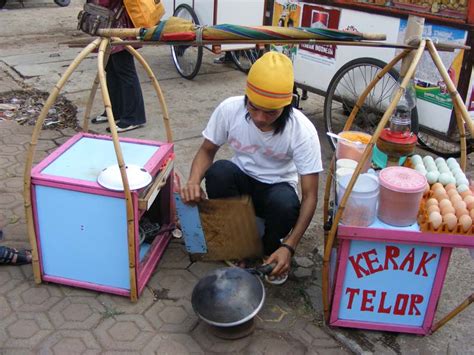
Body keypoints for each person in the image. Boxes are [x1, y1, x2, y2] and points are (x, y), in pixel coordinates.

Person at [180, 52, 323, 283]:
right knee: (219, 172)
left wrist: (290, 246)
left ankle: (271, 251)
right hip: (242, 183)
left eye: (270, 112)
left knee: (285, 204)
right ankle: (239, 246)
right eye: (253, 107)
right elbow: (207, 151)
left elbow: (310, 196)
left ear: (287, 105)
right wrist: (193, 181)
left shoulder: (302, 131)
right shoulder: (230, 109)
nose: (259, 118)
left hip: (277, 188)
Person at [90, 0, 146, 133]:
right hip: (110, 19)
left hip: (119, 22)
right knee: (111, 67)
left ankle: (133, 117)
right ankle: (115, 110)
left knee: (124, 68)